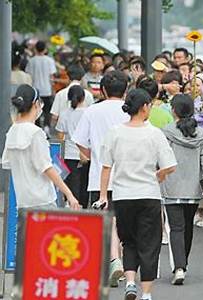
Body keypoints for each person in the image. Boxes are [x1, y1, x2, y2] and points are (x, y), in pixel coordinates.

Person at [98, 89, 177, 300]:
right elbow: (170, 165)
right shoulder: (154, 133)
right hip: (148, 194)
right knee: (149, 244)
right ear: (144, 107)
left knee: (129, 242)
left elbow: (106, 167)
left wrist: (103, 195)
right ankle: (147, 293)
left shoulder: (114, 132)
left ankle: (130, 282)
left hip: (122, 195)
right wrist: (159, 174)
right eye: (150, 105)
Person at [72, 70, 130, 287]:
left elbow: (79, 140)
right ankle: (118, 261)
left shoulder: (91, 111)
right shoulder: (130, 111)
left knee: (106, 220)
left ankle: (111, 262)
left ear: (103, 90)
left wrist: (90, 155)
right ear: (126, 90)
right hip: (127, 176)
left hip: (99, 176)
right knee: (121, 221)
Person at [161, 94, 203, 285]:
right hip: (193, 188)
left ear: (174, 110)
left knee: (176, 227)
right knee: (187, 228)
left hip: (171, 186)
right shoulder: (202, 135)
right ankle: (182, 263)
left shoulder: (166, 132)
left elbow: (158, 159)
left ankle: (179, 267)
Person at [2, 84, 80, 210]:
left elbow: (7, 163)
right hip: (43, 200)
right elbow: (46, 167)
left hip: (23, 201)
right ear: (36, 104)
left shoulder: (12, 131)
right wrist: (69, 194)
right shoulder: (36, 133)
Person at [55, 85, 90, 208]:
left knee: (72, 186)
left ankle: (73, 210)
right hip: (86, 154)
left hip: (69, 154)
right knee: (84, 185)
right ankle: (84, 211)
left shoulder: (64, 114)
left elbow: (60, 136)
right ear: (83, 97)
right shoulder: (88, 113)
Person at [25, 40, 56, 130]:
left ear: (35, 48)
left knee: (36, 110)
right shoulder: (50, 61)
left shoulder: (31, 61)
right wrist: (53, 89)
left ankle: (38, 127)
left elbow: (29, 76)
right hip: (47, 90)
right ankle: (46, 127)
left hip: (35, 90)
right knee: (47, 110)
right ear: (45, 49)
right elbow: (51, 77)